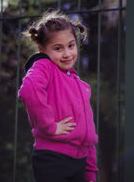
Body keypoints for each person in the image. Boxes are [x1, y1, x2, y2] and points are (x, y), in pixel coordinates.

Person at [18, 10, 98, 182]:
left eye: (71, 45)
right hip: (53, 159)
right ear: (42, 50)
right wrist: (49, 126)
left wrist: (90, 172)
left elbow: (88, 135)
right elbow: (28, 90)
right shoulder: (44, 66)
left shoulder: (80, 85)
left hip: (80, 163)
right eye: (58, 48)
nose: (67, 53)